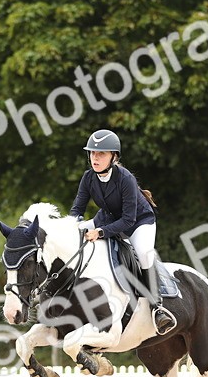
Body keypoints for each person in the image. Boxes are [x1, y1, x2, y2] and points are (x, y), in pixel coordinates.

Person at [69, 129, 177, 335]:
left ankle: (157, 307)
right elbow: (77, 210)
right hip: (107, 219)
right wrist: (72, 225)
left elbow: (128, 220)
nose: (95, 158)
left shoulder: (125, 178)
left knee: (144, 253)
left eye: (101, 154)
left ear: (114, 156)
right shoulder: (88, 177)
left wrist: (100, 233)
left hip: (138, 222)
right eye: (92, 153)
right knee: (74, 232)